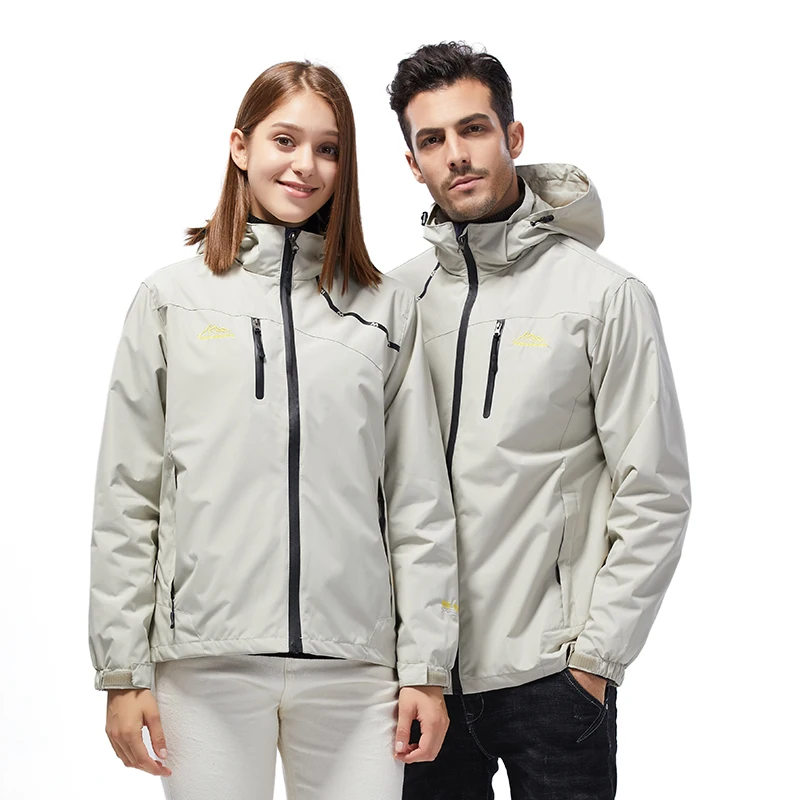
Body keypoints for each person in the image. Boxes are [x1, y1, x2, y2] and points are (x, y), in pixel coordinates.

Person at [88, 61, 459, 800]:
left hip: (357, 670)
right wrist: (123, 671)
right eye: (285, 140)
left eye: (328, 148)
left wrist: (426, 667)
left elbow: (418, 498)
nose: (305, 165)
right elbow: (128, 496)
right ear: (240, 146)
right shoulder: (170, 300)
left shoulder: (385, 309)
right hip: (206, 665)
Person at [387, 42, 692, 799]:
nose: (457, 154)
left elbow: (654, 490)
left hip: (553, 679)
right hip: (420, 682)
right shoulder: (391, 303)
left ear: (513, 136)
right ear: (413, 163)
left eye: (474, 129)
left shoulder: (605, 297)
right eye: (433, 139)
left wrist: (595, 660)